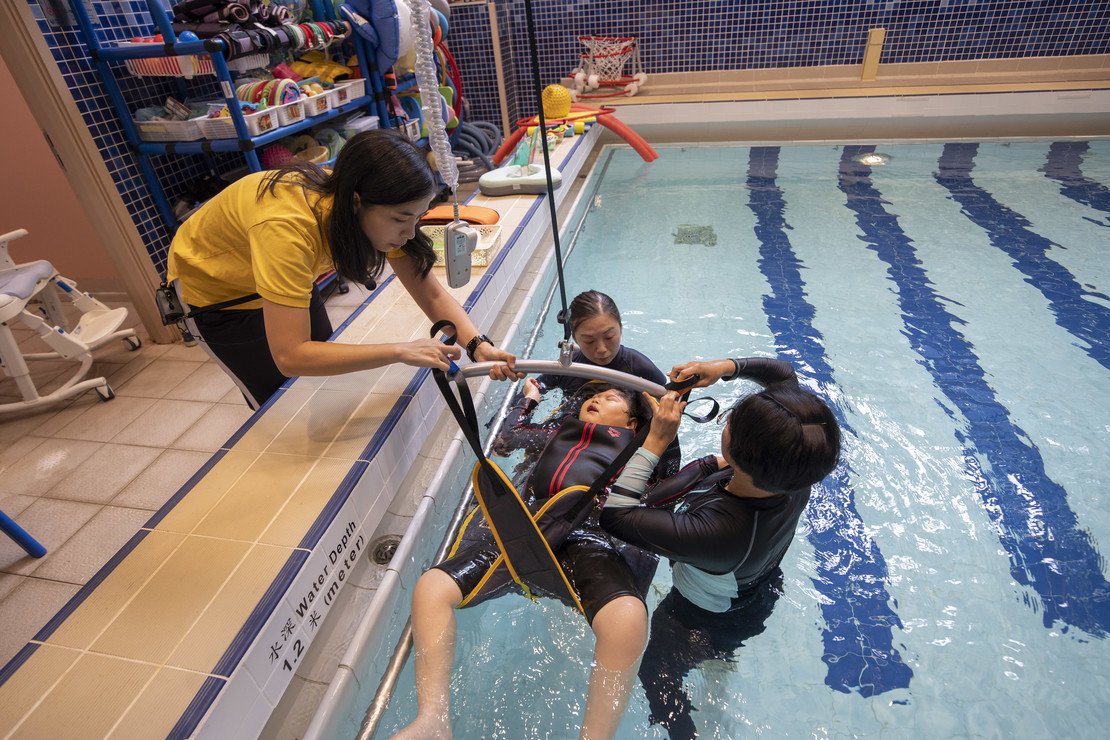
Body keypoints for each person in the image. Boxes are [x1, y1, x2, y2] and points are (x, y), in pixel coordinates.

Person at [166, 129, 518, 409]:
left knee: (321, 379)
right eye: (400, 219)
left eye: (417, 217)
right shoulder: (286, 230)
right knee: (279, 404)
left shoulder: (367, 195)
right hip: (219, 294)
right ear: (355, 203)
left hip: (274, 272)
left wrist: (477, 344)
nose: (410, 232)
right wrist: (399, 351)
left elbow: (429, 291)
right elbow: (290, 355)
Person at [396, 381, 665, 740]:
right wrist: (529, 400)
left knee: (628, 617)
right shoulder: (554, 433)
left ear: (631, 424)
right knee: (432, 586)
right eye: (594, 397)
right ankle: (432, 719)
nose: (597, 399)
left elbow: (656, 492)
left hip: (587, 538)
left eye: (611, 398)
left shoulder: (637, 453)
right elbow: (504, 440)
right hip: (521, 529)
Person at [599, 357, 842, 739]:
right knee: (720, 651)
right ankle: (720, 664)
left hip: (700, 620)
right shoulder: (795, 469)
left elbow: (616, 515)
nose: (725, 423)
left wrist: (656, 439)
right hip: (758, 589)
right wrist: (723, 368)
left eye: (730, 421)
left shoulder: (719, 531)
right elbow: (782, 376)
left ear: (736, 450)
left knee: (656, 673)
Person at [529, 290, 681, 478]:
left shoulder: (640, 369)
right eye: (589, 340)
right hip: (569, 443)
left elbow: (667, 423)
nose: (601, 349)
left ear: (620, 327)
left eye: (609, 337)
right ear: (575, 338)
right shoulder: (569, 367)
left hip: (614, 455)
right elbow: (535, 388)